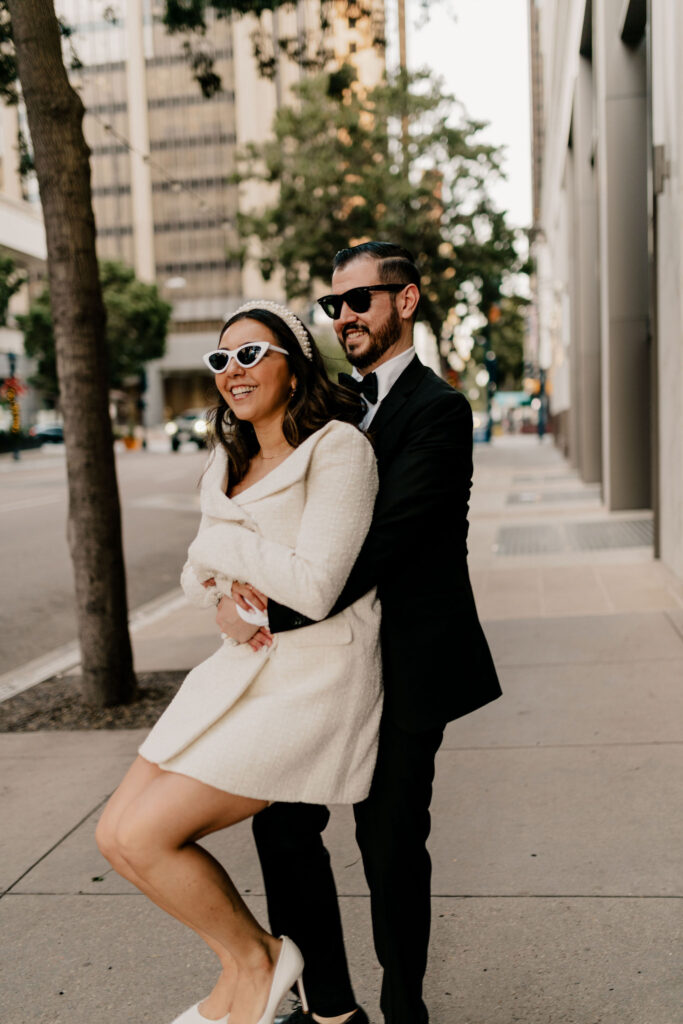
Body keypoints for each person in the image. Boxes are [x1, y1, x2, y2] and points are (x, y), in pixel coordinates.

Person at [218, 244, 502, 1024]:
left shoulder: (437, 409)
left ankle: (404, 1005)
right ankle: (331, 1007)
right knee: (282, 826)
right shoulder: (331, 405)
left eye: (360, 301)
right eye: (333, 304)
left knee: (390, 849)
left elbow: (385, 543)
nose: (342, 317)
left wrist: (265, 611)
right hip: (324, 666)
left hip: (408, 664)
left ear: (405, 301)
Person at [95, 301, 383, 1024]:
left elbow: (315, 584)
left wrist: (225, 555)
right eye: (221, 361)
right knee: (114, 836)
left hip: (313, 678)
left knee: (145, 835)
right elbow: (196, 578)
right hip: (242, 665)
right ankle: (245, 964)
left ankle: (254, 967)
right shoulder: (227, 460)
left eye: (251, 354)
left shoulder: (337, 449)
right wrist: (224, 592)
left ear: (295, 364)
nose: (234, 372)